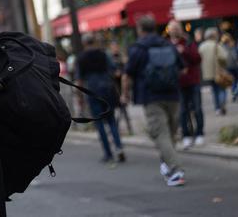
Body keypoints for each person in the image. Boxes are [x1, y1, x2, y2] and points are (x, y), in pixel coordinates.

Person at [123, 15, 185, 187]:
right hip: (173, 94)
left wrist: (125, 94)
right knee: (170, 134)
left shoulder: (138, 48)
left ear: (140, 29)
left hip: (151, 97)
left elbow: (127, 75)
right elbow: (182, 68)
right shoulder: (168, 45)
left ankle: (175, 170)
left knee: (160, 134)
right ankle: (167, 164)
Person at [76, 34, 124, 164]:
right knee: (111, 120)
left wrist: (80, 98)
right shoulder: (104, 54)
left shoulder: (81, 58)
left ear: (84, 43)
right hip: (107, 89)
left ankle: (108, 153)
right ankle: (119, 148)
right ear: (94, 42)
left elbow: (79, 80)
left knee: (99, 123)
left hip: (92, 91)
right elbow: (114, 70)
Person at [167, 20, 204, 149]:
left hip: (193, 80)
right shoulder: (167, 45)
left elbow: (198, 58)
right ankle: (186, 135)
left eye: (177, 28)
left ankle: (200, 133)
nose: (175, 31)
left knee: (197, 108)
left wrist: (184, 51)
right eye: (173, 29)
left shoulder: (188, 42)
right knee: (182, 111)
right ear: (169, 31)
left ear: (181, 29)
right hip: (178, 83)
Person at [198, 28, 229, 115]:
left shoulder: (201, 46)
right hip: (218, 72)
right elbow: (224, 57)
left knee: (214, 91)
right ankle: (222, 103)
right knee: (221, 89)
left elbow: (198, 59)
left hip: (208, 73)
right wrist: (223, 65)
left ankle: (217, 108)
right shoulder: (216, 45)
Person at [221, 33, 238, 102]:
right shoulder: (232, 46)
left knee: (231, 81)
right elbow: (237, 54)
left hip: (227, 67)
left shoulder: (221, 47)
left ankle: (235, 93)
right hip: (235, 66)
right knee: (236, 80)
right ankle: (237, 92)